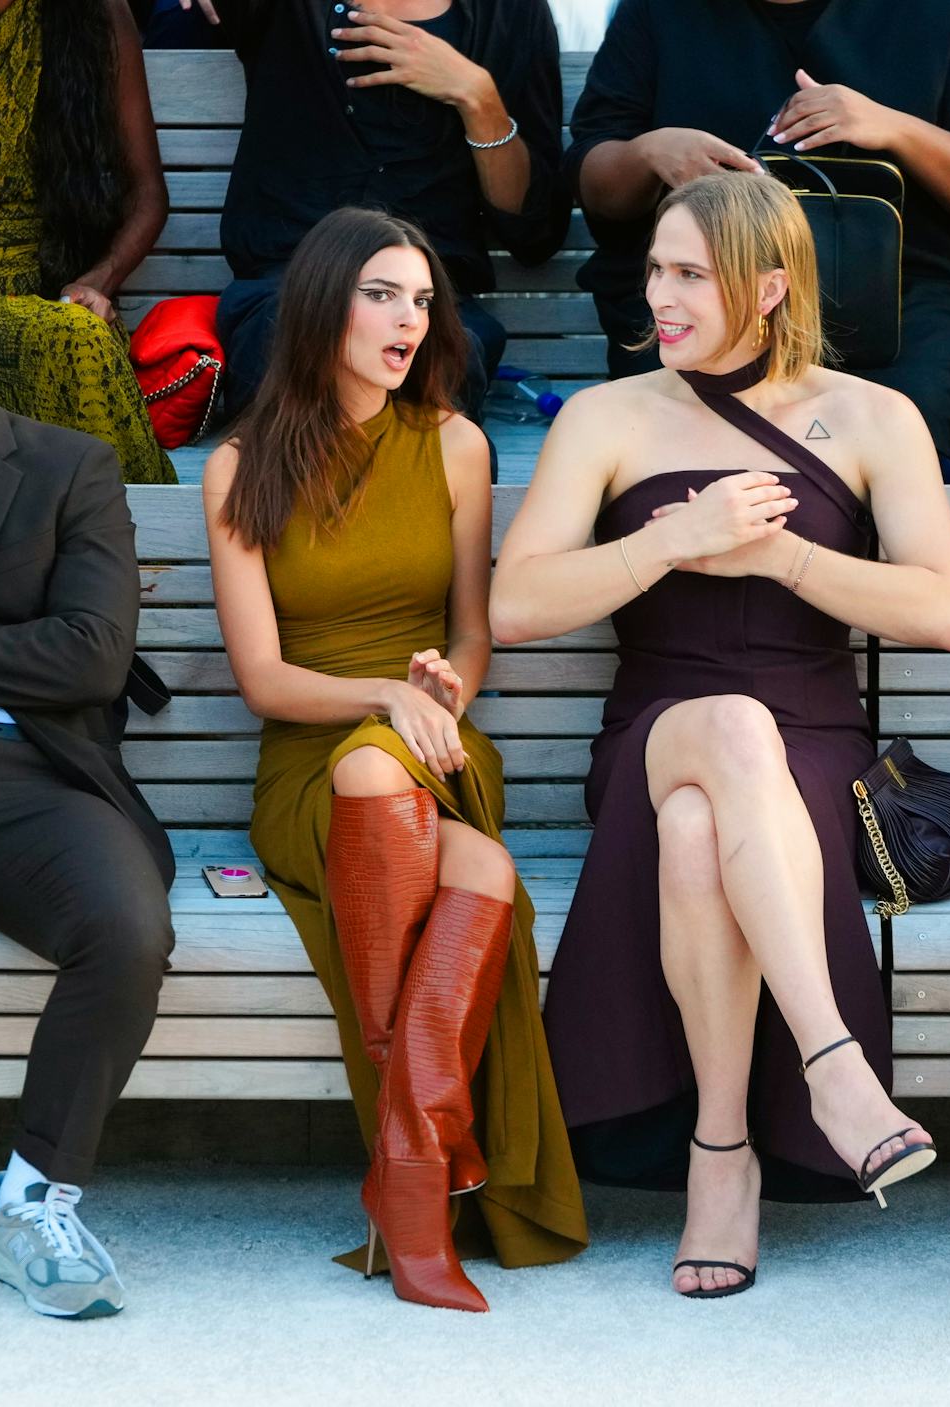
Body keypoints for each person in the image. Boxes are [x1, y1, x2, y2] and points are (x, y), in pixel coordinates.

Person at [491, 172, 950, 1298]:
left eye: (688, 274)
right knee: (718, 741)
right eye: (654, 268)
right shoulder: (607, 416)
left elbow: (945, 614)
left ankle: (721, 1157)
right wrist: (677, 539)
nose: (659, 293)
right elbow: (517, 607)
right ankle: (836, 1064)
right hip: (652, 730)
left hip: (812, 749)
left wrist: (780, 555)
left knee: (714, 813)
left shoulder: (873, 417)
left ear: (768, 286)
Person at [203, 206, 587, 1313]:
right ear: (325, 301)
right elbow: (264, 681)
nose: (409, 318)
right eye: (383, 293)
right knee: (479, 870)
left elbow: (474, 632)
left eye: (422, 299)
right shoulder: (237, 470)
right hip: (311, 762)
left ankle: (407, 1181)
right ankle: (416, 1176)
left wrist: (443, 689)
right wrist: (378, 696)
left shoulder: (456, 444)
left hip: (435, 744)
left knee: (423, 805)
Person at [567, 0, 950, 478]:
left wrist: (895, 129)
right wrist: (649, 152)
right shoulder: (659, 12)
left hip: (907, 306)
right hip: (703, 295)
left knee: (899, 429)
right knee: (674, 437)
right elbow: (595, 186)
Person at [0, 250, 176, 1319]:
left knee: (126, 922)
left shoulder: (64, 465)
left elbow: (94, 657)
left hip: (26, 773)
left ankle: (29, 1195)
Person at [179, 0, 569, 431]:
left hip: (428, 305)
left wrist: (476, 96)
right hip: (290, 292)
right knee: (293, 346)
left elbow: (534, 231)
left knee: (431, 366)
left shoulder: (511, 14)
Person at [0, 0, 176, 484]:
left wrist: (96, 281)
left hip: (46, 282)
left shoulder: (96, 13)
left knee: (76, 334)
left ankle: (130, 547)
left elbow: (148, 195)